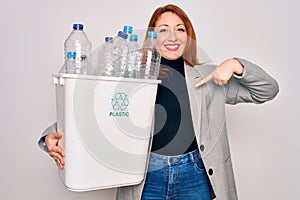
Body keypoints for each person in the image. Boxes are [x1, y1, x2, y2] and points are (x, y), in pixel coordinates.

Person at [38, 4, 279, 200]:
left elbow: (267, 90)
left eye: (180, 29)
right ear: (152, 37)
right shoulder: (131, 76)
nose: (172, 36)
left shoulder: (210, 76)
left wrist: (236, 64)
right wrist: (53, 134)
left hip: (195, 175)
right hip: (145, 175)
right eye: (163, 29)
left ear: (189, 37)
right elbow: (90, 109)